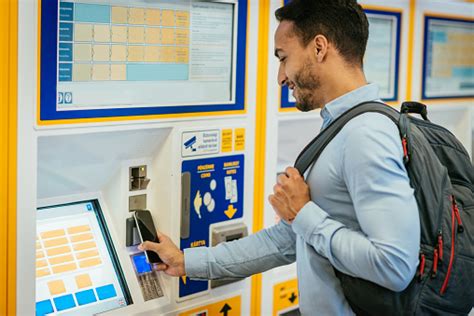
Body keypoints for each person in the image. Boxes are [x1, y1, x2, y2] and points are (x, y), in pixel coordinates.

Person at [139, 0, 420, 314]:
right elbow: (287, 240)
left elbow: (394, 266)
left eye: (283, 58)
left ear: (319, 47)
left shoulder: (365, 135)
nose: (280, 77)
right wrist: (187, 261)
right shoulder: (343, 128)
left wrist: (304, 215)